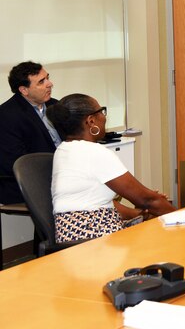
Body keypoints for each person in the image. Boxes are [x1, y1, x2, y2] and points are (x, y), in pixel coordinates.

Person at [46, 93, 175, 242]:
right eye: (101, 111)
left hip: (72, 236)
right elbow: (147, 200)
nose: (104, 117)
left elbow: (97, 202)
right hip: (93, 237)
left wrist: (141, 213)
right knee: (162, 238)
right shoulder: (95, 152)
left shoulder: (63, 150)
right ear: (91, 120)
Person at [0, 61, 61, 204]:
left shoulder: (56, 105)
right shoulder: (6, 116)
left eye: (47, 77)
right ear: (24, 90)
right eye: (41, 82)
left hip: (61, 177)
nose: (49, 83)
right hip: (31, 184)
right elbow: (17, 162)